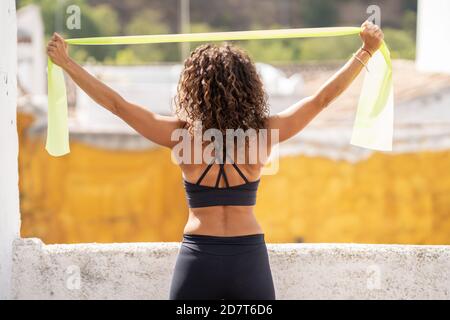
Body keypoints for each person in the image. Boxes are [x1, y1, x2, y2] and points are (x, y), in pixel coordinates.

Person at [47, 20, 384, 300]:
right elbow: (322, 99)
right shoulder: (263, 133)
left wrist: (67, 63)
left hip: (198, 256)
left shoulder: (180, 135)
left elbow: (117, 105)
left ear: (194, 88)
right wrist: (365, 50)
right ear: (249, 86)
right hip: (248, 256)